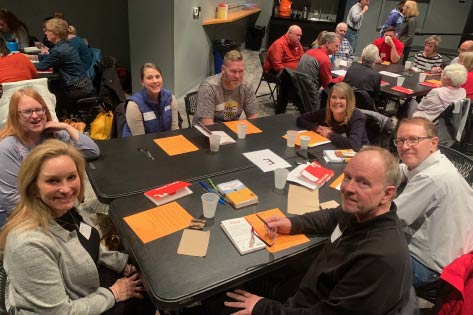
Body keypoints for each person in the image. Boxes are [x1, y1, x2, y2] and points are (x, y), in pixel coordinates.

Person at [224, 146, 413, 314]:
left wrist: (263, 308)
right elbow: (332, 216)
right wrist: (291, 224)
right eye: (348, 177)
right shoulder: (360, 211)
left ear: (387, 193)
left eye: (363, 182)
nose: (348, 188)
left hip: (307, 306)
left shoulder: (379, 259)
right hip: (308, 290)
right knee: (234, 286)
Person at [0, 139, 156, 315]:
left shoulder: (69, 210)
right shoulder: (27, 246)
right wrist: (114, 293)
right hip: (69, 308)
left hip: (87, 285)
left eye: (71, 177)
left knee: (147, 289)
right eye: (53, 181)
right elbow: (60, 312)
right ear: (34, 187)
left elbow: (89, 247)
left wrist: (123, 265)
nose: (66, 189)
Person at [393, 117, 473, 288]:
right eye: (400, 140)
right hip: (455, 252)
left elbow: (391, 218)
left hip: (430, 266)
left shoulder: (431, 177)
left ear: (433, 143)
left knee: (362, 261)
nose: (405, 146)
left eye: (414, 139)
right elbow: (403, 170)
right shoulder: (436, 161)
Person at [0, 87, 100, 223]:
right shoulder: (7, 147)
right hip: (22, 213)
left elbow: (92, 151)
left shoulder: (54, 133)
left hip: (54, 203)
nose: (35, 116)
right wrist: (57, 215)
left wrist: (66, 127)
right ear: (15, 116)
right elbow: (12, 201)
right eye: (27, 112)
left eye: (39, 109)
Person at [31, 18, 94, 119]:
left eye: (47, 30)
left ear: (55, 33)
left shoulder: (60, 50)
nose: (45, 33)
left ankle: (58, 120)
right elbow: (50, 57)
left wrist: (24, 64)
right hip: (84, 84)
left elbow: (43, 66)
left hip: (77, 88)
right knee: (53, 87)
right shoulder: (65, 44)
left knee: (48, 96)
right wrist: (34, 57)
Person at [296, 82, 369, 151]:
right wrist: (317, 128)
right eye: (334, 97)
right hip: (334, 151)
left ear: (349, 101)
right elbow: (301, 119)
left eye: (342, 98)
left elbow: (354, 145)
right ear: (329, 99)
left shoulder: (357, 117)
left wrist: (329, 134)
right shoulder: (327, 111)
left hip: (360, 154)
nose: (337, 101)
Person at [194, 50, 258, 125]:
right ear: (223, 69)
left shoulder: (246, 86)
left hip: (232, 128)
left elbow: (253, 117)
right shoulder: (208, 88)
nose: (237, 76)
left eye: (240, 71)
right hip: (207, 131)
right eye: (233, 71)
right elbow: (207, 125)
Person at [291, 32, 344, 113]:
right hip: (312, 97)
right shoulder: (325, 59)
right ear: (328, 43)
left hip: (299, 92)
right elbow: (327, 84)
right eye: (336, 46)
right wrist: (341, 78)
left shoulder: (308, 52)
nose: (337, 49)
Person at [123, 63, 179, 136]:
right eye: (149, 78)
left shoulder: (170, 98)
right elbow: (140, 140)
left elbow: (174, 131)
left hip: (164, 142)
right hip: (140, 144)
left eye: (157, 76)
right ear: (142, 82)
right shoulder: (134, 106)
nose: (155, 81)